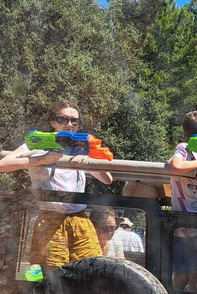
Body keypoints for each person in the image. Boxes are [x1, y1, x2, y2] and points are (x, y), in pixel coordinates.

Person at [0, 100, 113, 275]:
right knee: (51, 275)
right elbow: (3, 164)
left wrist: (91, 162)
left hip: (80, 219)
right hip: (50, 219)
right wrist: (40, 160)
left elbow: (107, 180)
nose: (70, 124)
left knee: (90, 270)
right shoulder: (38, 143)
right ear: (52, 122)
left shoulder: (82, 146)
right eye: (63, 119)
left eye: (75, 121)